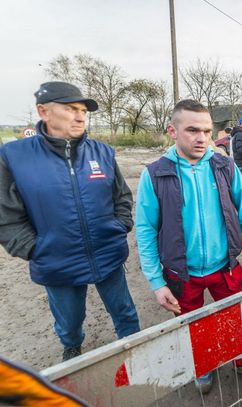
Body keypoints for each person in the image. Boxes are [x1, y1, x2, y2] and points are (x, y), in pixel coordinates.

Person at [136, 100, 242, 394]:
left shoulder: (224, 166)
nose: (202, 138)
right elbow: (145, 231)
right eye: (192, 130)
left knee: (235, 318)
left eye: (207, 131)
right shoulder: (154, 174)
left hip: (224, 266)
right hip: (181, 273)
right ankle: (203, 364)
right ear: (172, 131)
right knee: (191, 325)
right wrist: (157, 281)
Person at [0, 82, 140, 361]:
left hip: (108, 253)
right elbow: (6, 215)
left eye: (83, 111)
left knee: (125, 311)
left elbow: (122, 196)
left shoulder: (102, 153)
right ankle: (72, 347)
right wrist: (34, 248)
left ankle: (136, 349)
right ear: (44, 111)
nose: (79, 117)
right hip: (57, 261)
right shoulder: (15, 157)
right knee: (70, 321)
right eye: (71, 109)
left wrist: (120, 226)